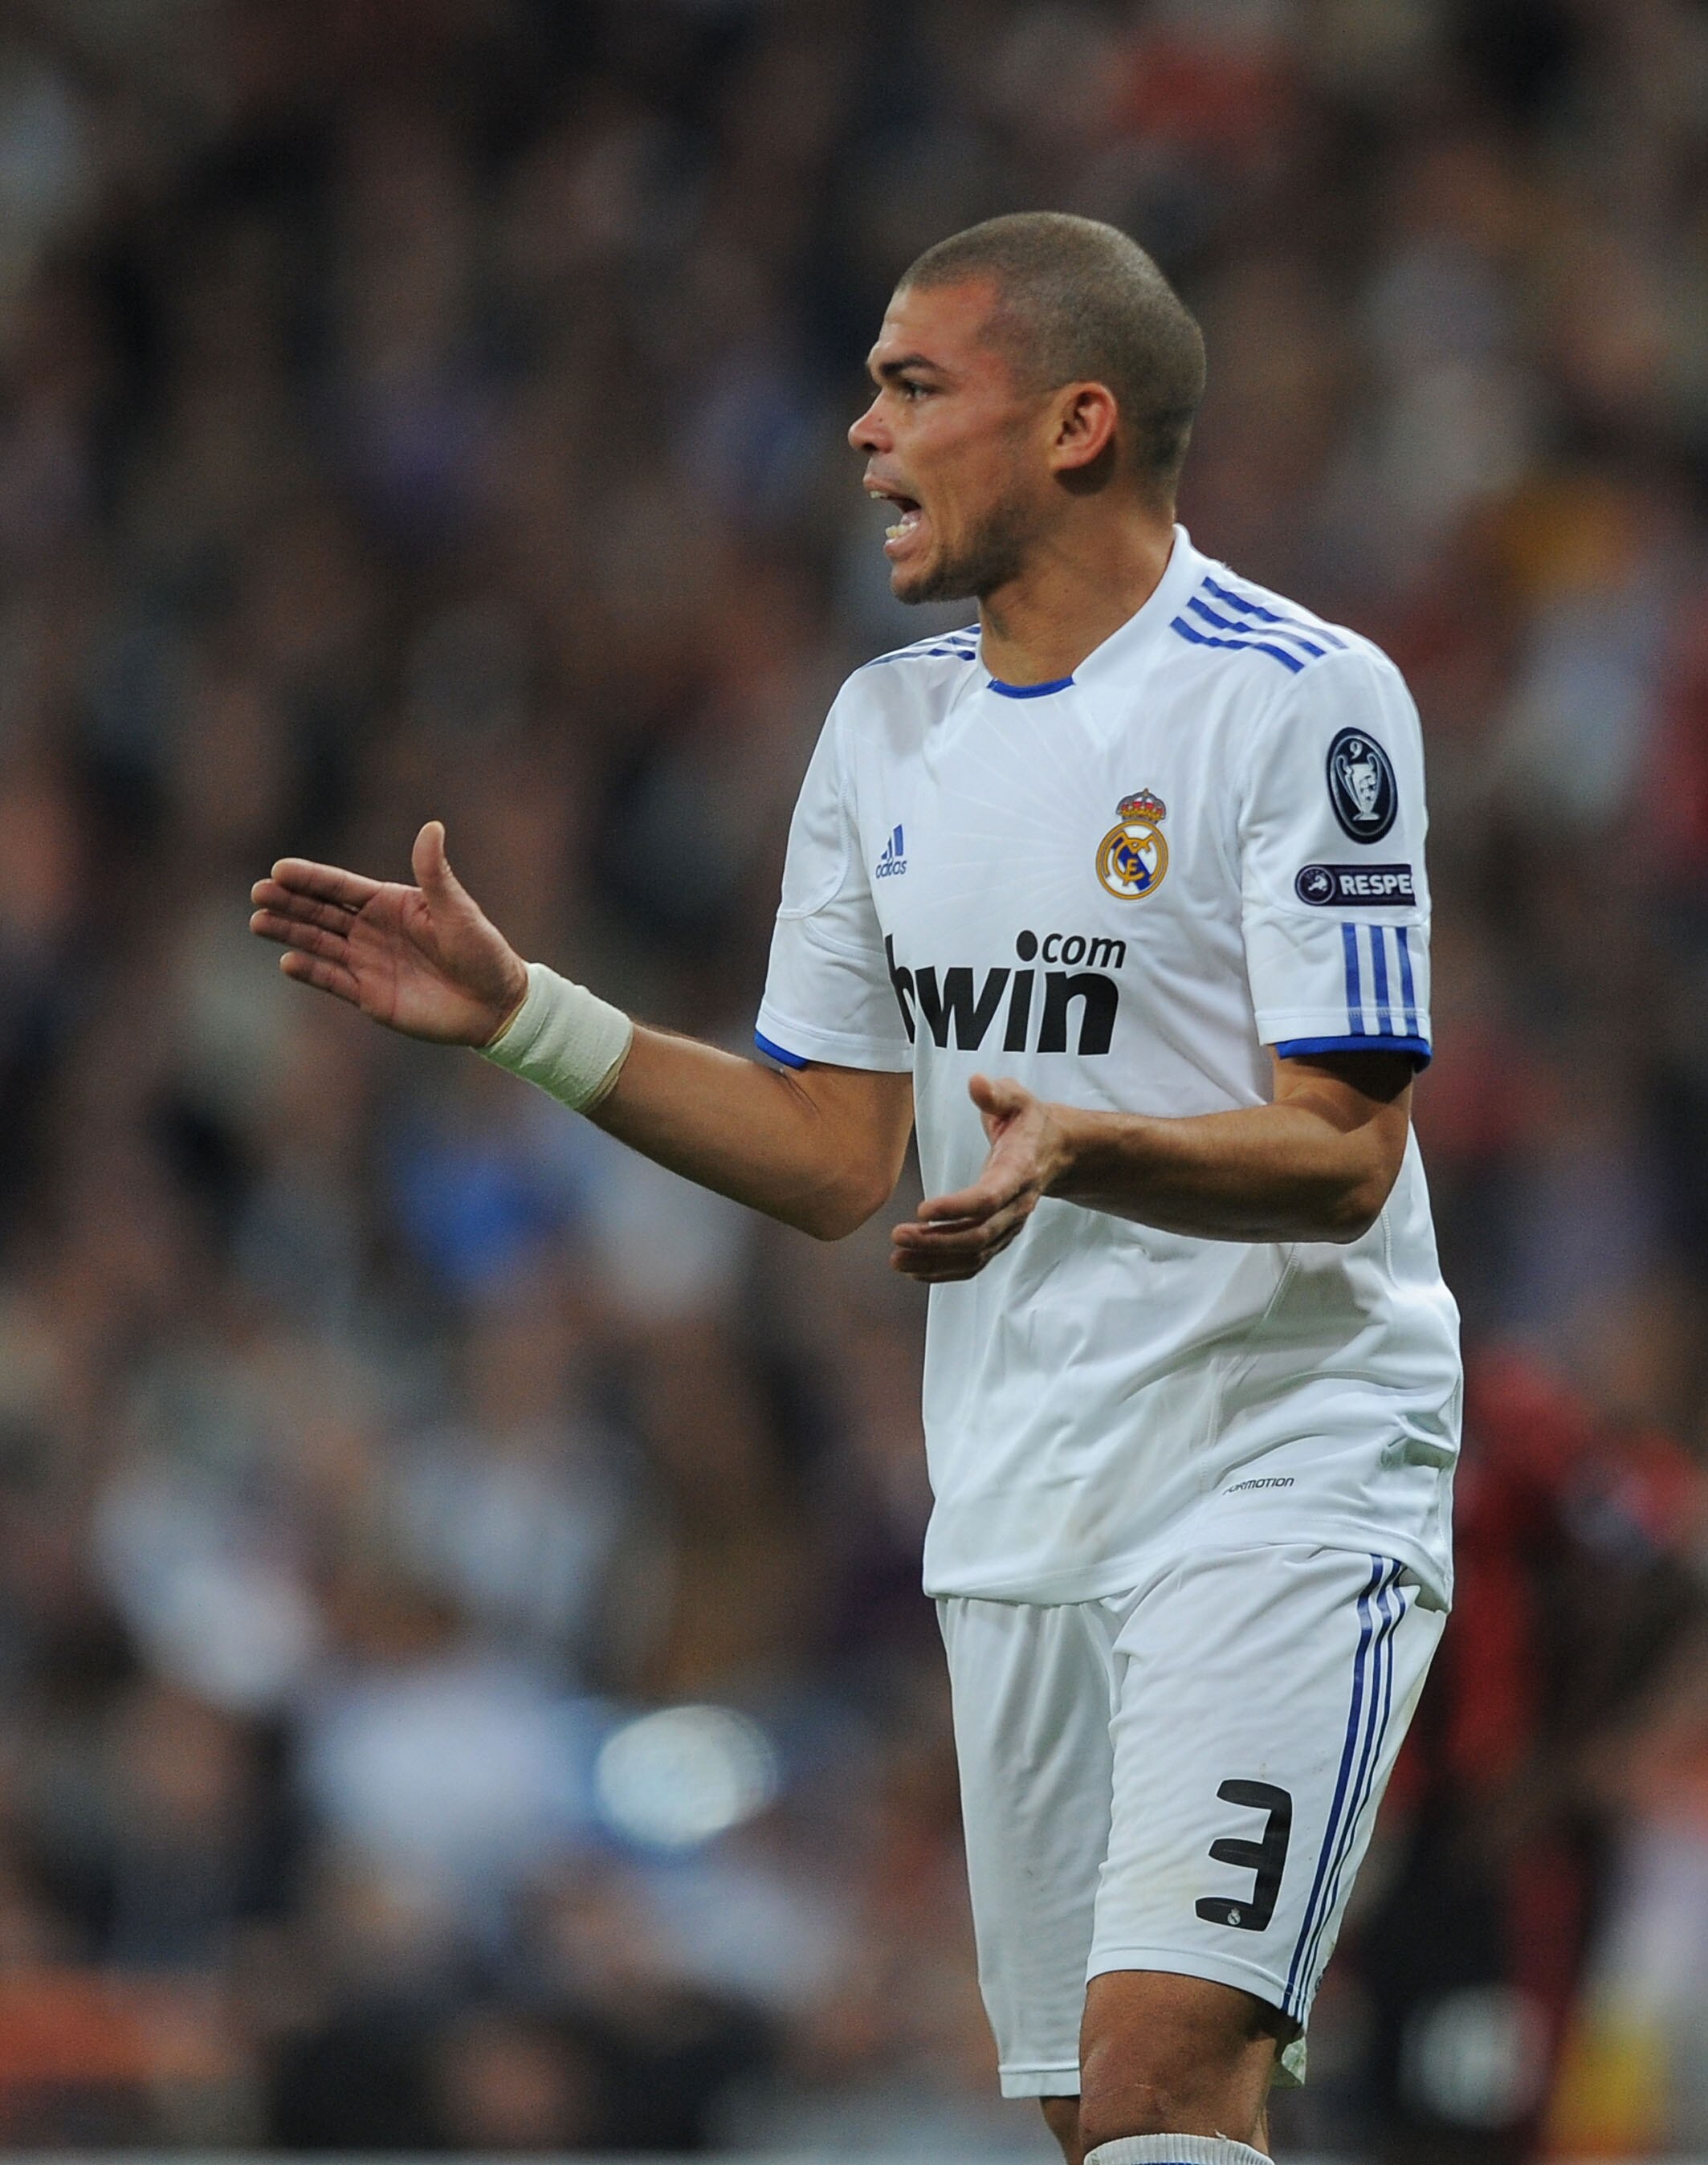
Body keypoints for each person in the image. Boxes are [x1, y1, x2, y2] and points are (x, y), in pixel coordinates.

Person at [251, 213, 1460, 2165]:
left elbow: (1345, 1152)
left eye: (912, 386)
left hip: (1280, 1468)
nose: (858, 433)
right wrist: (524, 1018)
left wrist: (1089, 1148)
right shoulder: (886, 728)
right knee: (1106, 2121)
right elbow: (831, 1157)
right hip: (1015, 1507)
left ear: (1073, 423)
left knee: (1166, 2064)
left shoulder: (1296, 701)